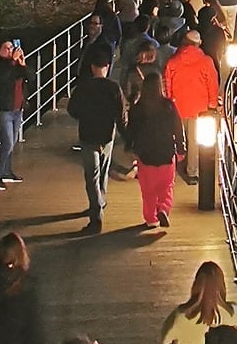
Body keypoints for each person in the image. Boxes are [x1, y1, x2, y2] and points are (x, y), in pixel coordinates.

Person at [69, 47, 126, 232]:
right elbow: (121, 115)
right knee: (103, 170)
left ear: (92, 67)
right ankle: (101, 200)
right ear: (107, 67)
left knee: (91, 175)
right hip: (107, 134)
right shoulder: (113, 88)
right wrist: (126, 136)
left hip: (88, 134)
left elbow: (72, 110)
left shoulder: (82, 88)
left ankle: (96, 210)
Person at [125, 61, 183, 228]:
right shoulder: (169, 106)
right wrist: (181, 148)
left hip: (145, 154)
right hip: (166, 152)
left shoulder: (137, 108)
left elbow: (131, 130)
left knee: (148, 191)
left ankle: (151, 219)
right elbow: (177, 128)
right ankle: (163, 208)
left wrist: (131, 147)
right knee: (166, 187)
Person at [164, 31, 221, 186]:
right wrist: (213, 103)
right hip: (199, 108)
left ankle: (173, 168)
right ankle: (192, 172)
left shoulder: (173, 61)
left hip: (178, 106)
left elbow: (167, 83)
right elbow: (212, 84)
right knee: (195, 141)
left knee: (177, 138)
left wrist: (169, 101)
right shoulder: (206, 61)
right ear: (198, 44)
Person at [0, 39, 27, 188]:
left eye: (12, 47)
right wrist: (11, 61)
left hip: (17, 109)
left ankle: (7, 171)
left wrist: (22, 63)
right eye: (7, 47)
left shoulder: (16, 64)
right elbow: (1, 79)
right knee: (8, 143)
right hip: (4, 109)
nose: (11, 49)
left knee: (12, 142)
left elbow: (31, 76)